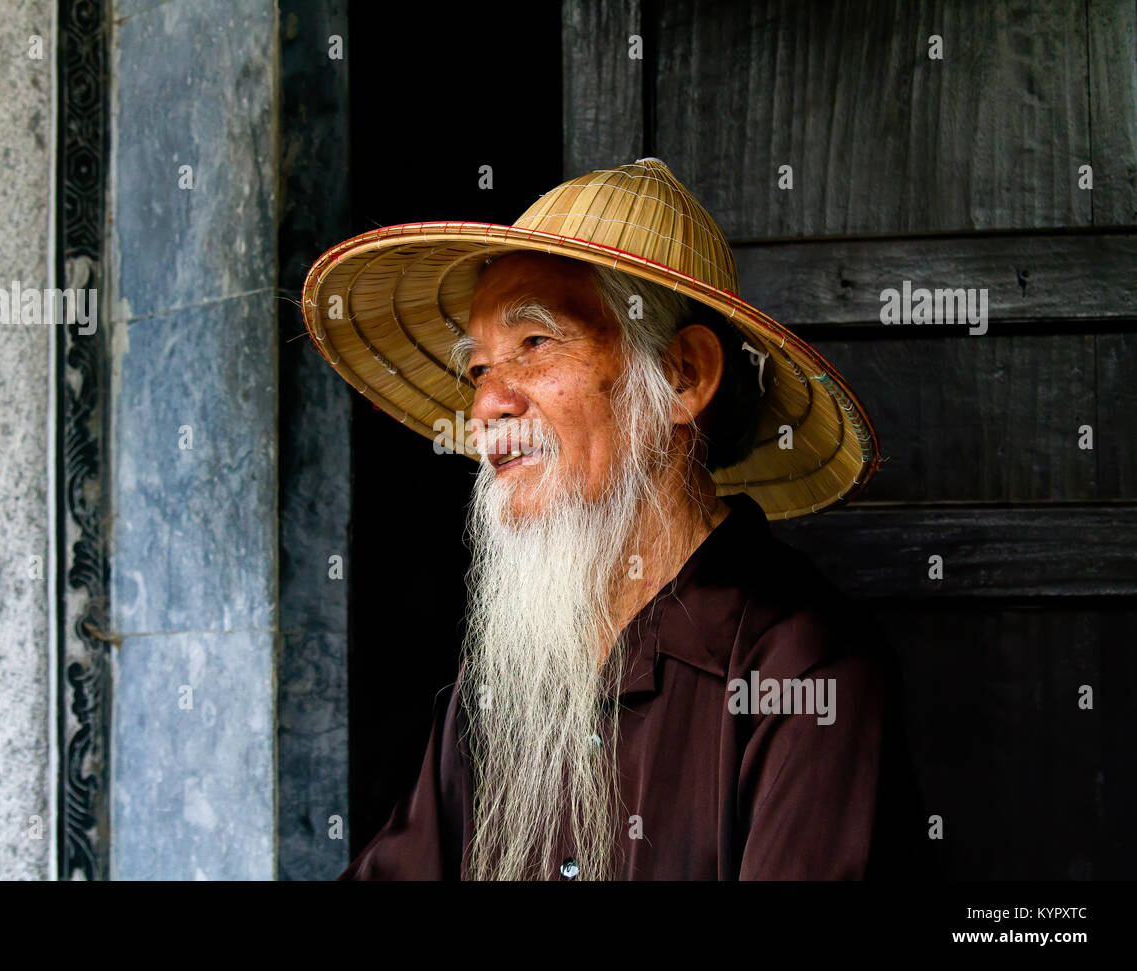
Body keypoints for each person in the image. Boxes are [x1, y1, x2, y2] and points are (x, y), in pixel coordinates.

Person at [301, 158, 923, 880]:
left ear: (684, 376)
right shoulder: (506, 675)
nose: (486, 405)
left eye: (534, 344)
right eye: (477, 369)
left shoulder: (802, 671)